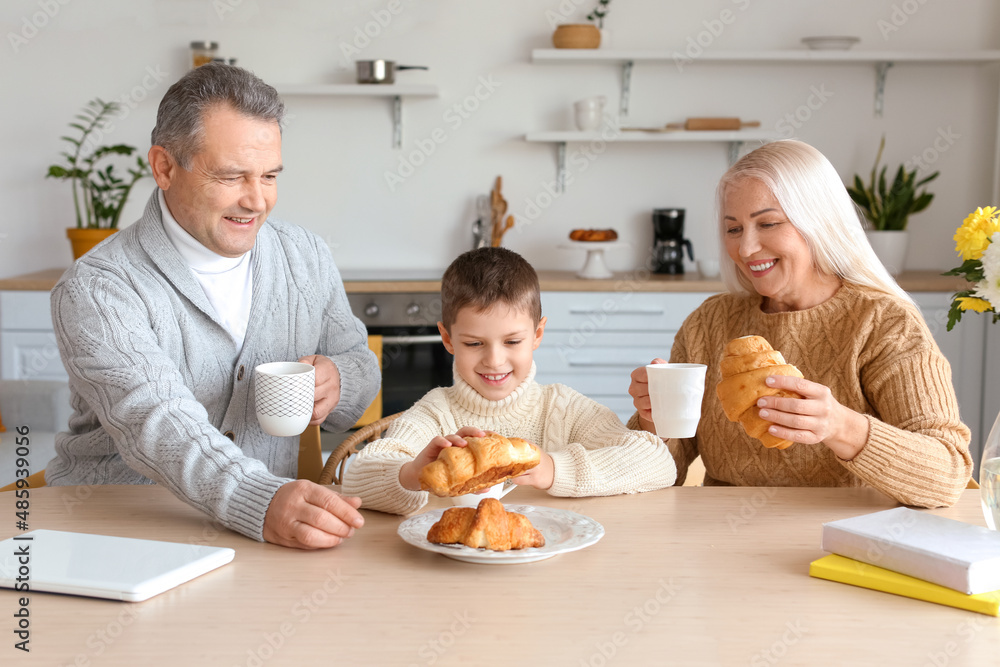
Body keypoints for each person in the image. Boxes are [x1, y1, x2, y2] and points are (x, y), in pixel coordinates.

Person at [47, 63, 380, 548]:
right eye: (230, 176)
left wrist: (339, 378)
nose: (257, 200)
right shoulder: (98, 287)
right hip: (120, 529)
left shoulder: (305, 255)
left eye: (269, 176)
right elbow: (156, 421)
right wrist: (259, 499)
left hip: (258, 533)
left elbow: (359, 364)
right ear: (163, 167)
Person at [628, 139, 972, 508]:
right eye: (733, 229)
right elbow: (656, 476)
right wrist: (653, 422)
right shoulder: (708, 322)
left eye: (768, 223)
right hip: (718, 540)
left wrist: (841, 426)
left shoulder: (885, 323)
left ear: (818, 222)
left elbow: (947, 474)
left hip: (844, 544)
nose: (745, 249)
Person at [342, 247, 676, 514]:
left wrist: (552, 469)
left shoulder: (561, 409)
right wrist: (412, 474)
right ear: (447, 339)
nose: (494, 360)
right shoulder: (437, 413)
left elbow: (658, 463)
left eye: (512, 342)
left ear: (537, 334)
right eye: (474, 344)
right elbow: (355, 477)